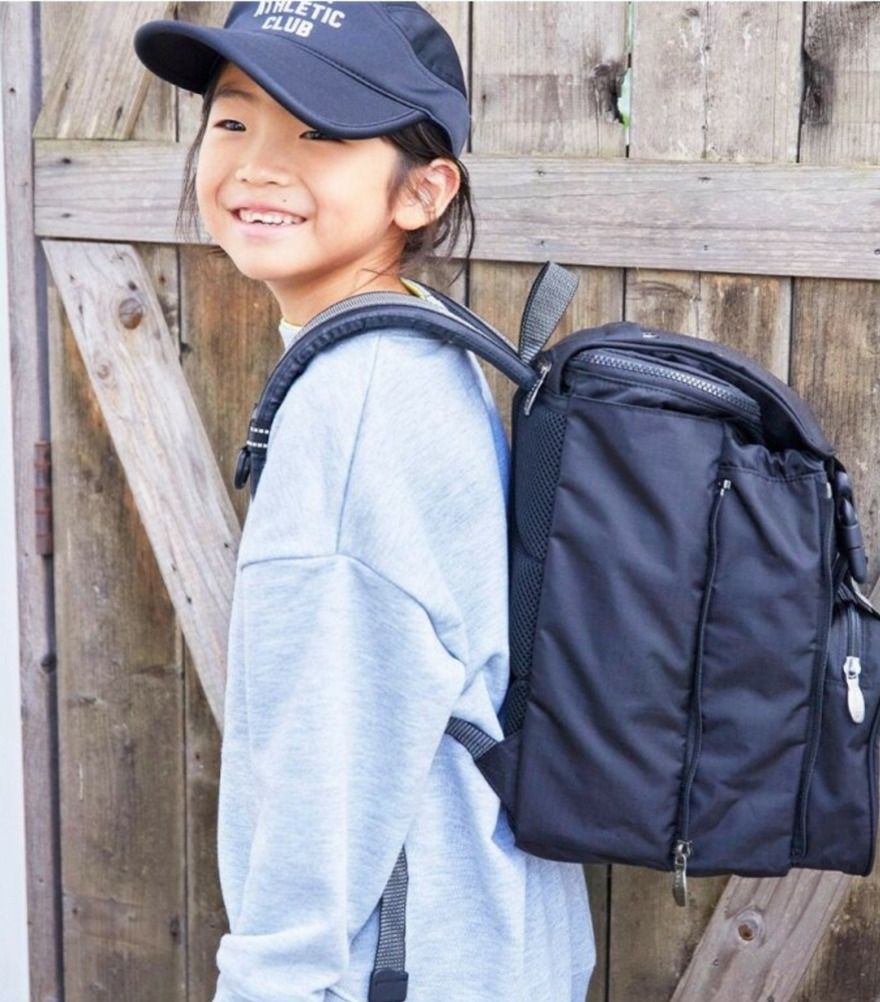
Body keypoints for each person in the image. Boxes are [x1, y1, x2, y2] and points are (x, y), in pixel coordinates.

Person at [133, 4, 598, 1002]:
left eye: (320, 133)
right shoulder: (417, 338)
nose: (258, 166)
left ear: (423, 191)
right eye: (233, 121)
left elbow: (323, 778)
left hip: (404, 968)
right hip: (486, 937)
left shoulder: (353, 410)